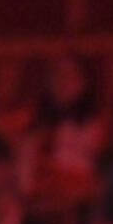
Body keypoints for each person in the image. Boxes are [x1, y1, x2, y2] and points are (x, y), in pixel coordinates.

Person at [30, 54, 105, 203]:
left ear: (84, 82)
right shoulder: (34, 126)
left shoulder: (97, 127)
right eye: (56, 75)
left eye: (70, 76)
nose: (62, 82)